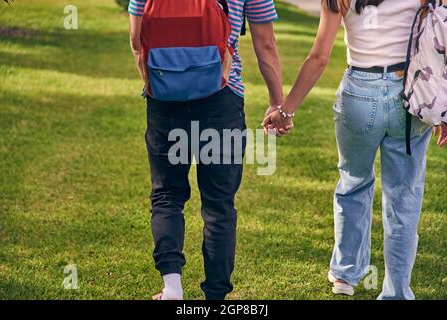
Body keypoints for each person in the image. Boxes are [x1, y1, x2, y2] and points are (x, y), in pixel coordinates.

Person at [263, 0, 447, 299]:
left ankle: (345, 276)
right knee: (404, 198)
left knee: (352, 183)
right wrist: (440, 104)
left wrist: (287, 110)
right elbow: (441, 38)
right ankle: (397, 291)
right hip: (410, 93)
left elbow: (319, 57)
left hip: (359, 91)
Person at [129, 0, 283, 300]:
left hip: (164, 103)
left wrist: (154, 85)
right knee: (218, 205)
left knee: (167, 195)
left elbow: (137, 41)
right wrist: (278, 104)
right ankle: (215, 297)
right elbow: (265, 44)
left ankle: (172, 286)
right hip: (221, 100)